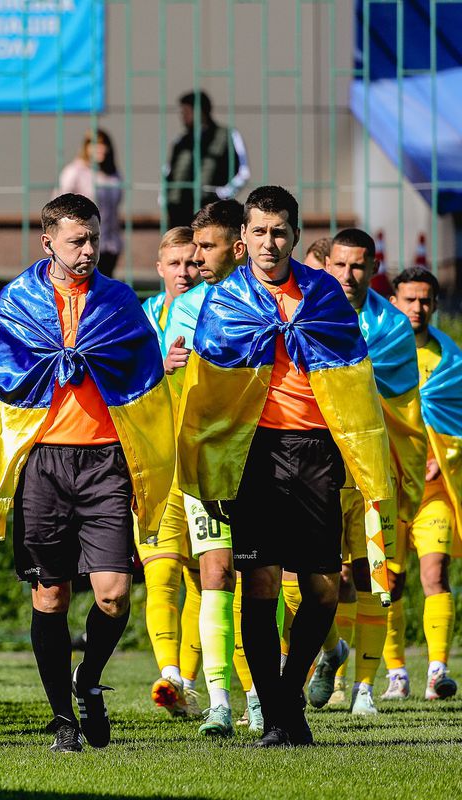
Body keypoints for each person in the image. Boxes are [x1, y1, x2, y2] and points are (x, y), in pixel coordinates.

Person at [176, 186, 392, 747]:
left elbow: (354, 382)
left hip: (317, 450)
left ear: (295, 236)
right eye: (259, 231)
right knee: (261, 582)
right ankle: (276, 714)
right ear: (242, 239)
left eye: (279, 232)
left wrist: (360, 460)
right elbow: (206, 397)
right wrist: (207, 468)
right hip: (254, 452)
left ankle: (288, 694)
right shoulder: (225, 301)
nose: (269, 242)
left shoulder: (323, 293)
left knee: (323, 587)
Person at [0, 193, 174, 753]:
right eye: (77, 241)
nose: (89, 251)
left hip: (106, 460)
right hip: (45, 464)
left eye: (94, 239)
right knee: (50, 596)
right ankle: (63, 718)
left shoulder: (118, 302)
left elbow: (146, 383)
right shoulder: (18, 301)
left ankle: (89, 677)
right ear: (49, 243)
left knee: (112, 595)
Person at [302, 229, 422, 716]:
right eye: (340, 266)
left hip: (371, 468)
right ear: (325, 265)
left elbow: (399, 405)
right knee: (308, 576)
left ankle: (365, 688)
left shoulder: (392, 326)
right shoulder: (303, 310)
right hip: (312, 464)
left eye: (358, 267)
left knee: (374, 576)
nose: (349, 276)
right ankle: (332, 652)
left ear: (374, 270)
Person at [163, 199, 259, 735]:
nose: (195, 256)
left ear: (235, 248)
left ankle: (263, 692)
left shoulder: (268, 303)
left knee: (265, 578)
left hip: (262, 456)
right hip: (205, 457)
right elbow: (167, 384)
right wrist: (169, 367)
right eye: (192, 246)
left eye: (206, 245)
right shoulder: (186, 307)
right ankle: (221, 699)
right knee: (216, 571)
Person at [384, 267, 460, 701]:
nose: (418, 307)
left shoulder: (451, 360)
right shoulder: (380, 353)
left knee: (436, 573)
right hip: (391, 488)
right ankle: (396, 673)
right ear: (395, 302)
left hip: (434, 491)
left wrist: (441, 456)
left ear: (434, 303)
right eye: (410, 299)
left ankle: (437, 670)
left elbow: (459, 421)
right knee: (388, 581)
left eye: (426, 300)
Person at [137, 226, 204, 717]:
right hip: (156, 462)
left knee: (204, 578)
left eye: (193, 263)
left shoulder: (217, 309)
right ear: (159, 268)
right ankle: (170, 675)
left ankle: (194, 681)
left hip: (205, 462)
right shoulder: (141, 316)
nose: (185, 272)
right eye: (175, 263)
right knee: (160, 573)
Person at [163, 92, 251, 227]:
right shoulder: (181, 141)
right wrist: (165, 197)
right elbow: (168, 171)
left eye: (187, 111)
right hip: (178, 214)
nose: (183, 116)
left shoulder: (227, 136)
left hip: (210, 213)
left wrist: (224, 193)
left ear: (201, 111)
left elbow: (243, 172)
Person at [55, 130, 124, 277]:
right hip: (82, 240)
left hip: (109, 242)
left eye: (104, 145)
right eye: (96, 145)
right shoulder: (75, 171)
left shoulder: (113, 173)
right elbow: (59, 206)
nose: (101, 149)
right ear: (86, 147)